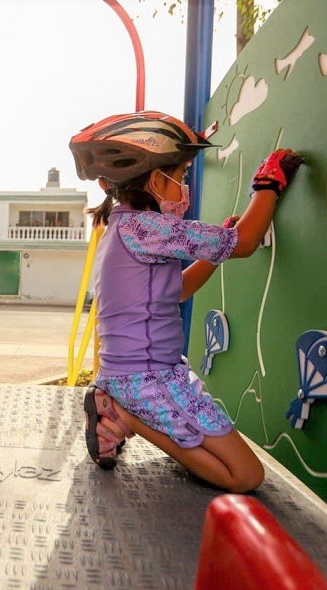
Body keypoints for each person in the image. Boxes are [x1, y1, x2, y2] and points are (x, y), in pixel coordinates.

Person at [69, 111, 302, 493]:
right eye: (180, 177)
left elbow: (174, 290)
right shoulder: (147, 228)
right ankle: (126, 413)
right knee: (245, 476)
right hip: (146, 381)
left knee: (229, 465)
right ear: (155, 179)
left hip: (146, 374)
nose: (184, 188)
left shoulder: (125, 228)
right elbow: (245, 242)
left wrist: (213, 252)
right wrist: (268, 185)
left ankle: (120, 408)